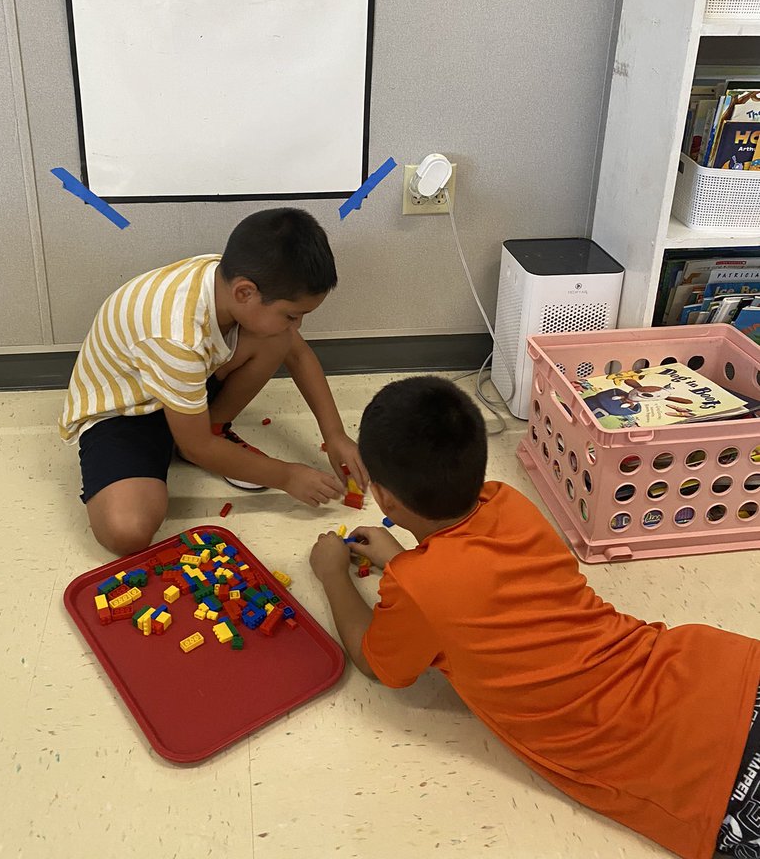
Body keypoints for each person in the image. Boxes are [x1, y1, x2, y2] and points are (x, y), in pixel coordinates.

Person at [309, 376, 760, 859]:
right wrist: (402, 562)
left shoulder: (416, 588)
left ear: (383, 498)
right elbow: (471, 575)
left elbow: (375, 663)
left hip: (710, 780)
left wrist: (333, 574)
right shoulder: (506, 501)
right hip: (721, 669)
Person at [61, 208, 365, 556]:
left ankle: (210, 428)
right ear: (245, 292)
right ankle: (190, 437)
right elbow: (197, 445)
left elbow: (297, 354)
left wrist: (335, 435)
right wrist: (286, 476)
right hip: (126, 412)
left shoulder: (230, 278)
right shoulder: (176, 336)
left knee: (278, 338)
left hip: (183, 386)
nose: (297, 325)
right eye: (292, 315)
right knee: (126, 532)